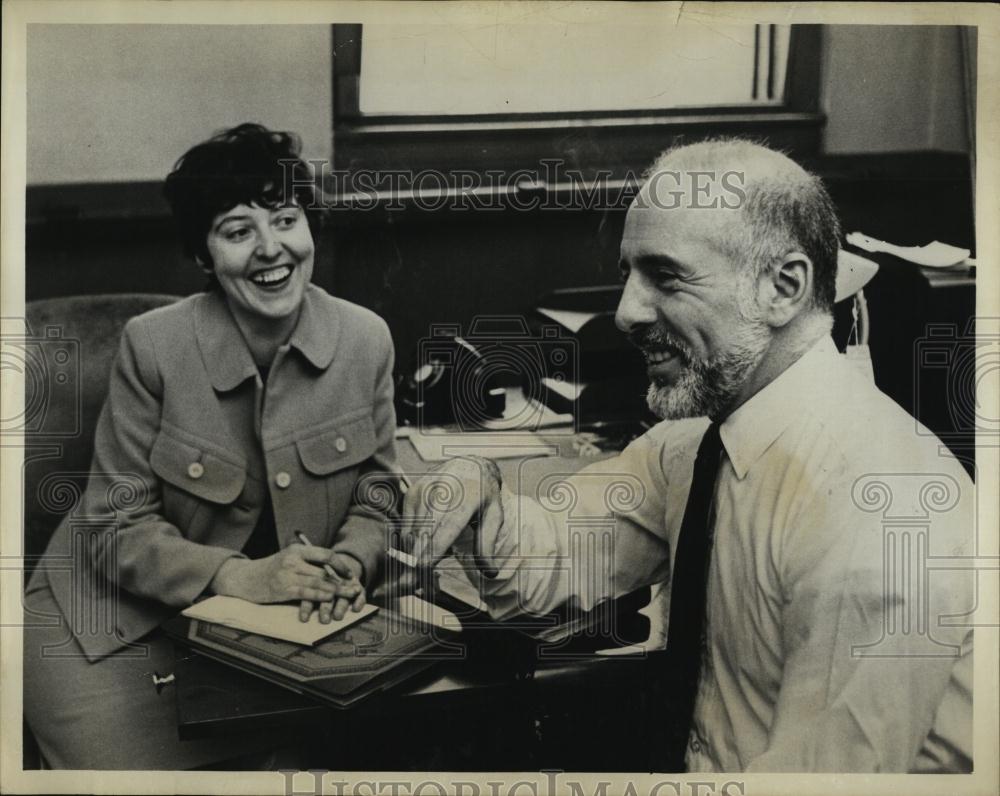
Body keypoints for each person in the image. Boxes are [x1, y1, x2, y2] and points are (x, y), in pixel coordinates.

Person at [398, 139, 975, 772]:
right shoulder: (697, 442)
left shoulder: (879, 508)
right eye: (627, 275)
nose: (625, 313)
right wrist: (478, 493)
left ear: (783, 287)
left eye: (665, 276)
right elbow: (552, 562)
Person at [23, 123, 398, 769]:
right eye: (237, 230)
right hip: (106, 621)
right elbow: (116, 526)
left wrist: (353, 561)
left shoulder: (366, 339)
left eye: (285, 218)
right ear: (203, 255)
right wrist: (241, 576)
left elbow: (379, 490)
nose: (270, 247)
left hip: (275, 624)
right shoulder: (153, 345)